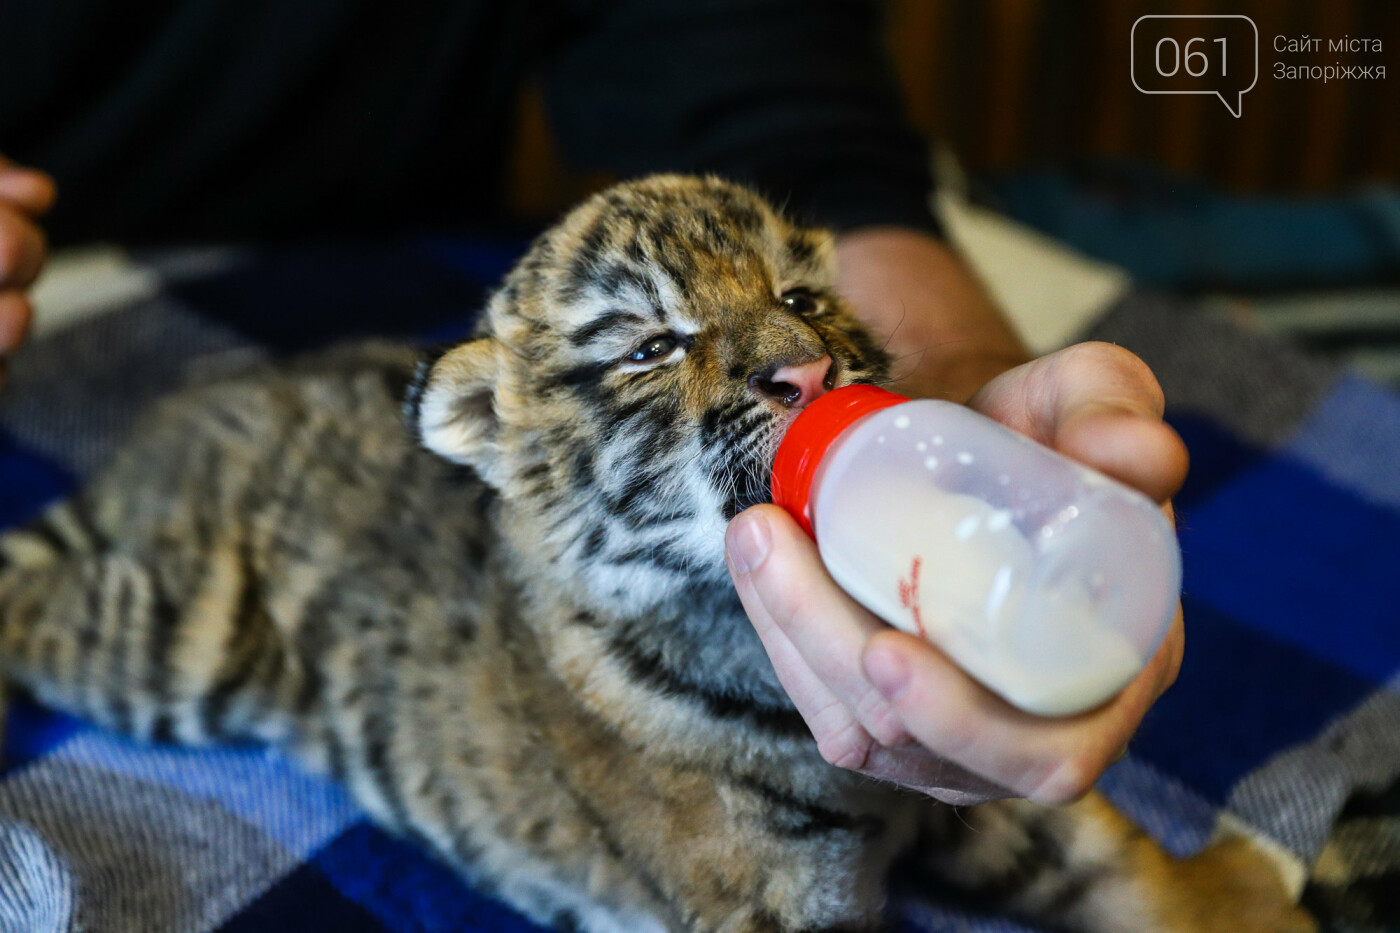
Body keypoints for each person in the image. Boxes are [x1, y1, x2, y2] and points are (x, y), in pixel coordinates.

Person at [0, 0, 1185, 807]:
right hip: (83, 360)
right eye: (656, 344)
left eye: (792, 304)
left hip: (388, 262)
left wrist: (953, 409)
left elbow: (762, 86)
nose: (794, 356)